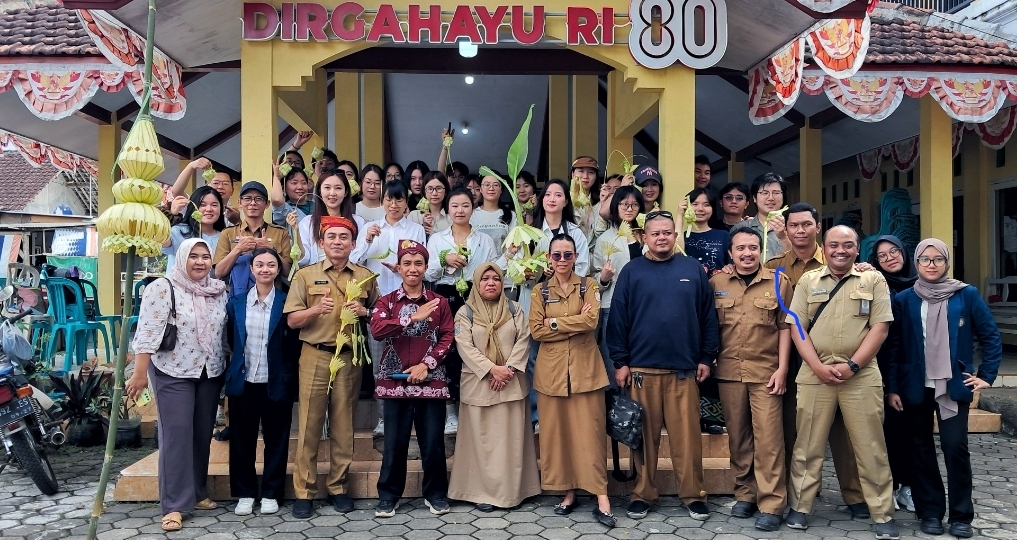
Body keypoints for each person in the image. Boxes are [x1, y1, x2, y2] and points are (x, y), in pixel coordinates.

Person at [784, 225, 898, 540]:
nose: (840, 251)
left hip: (860, 375)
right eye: (834, 245)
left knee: (870, 446)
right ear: (825, 247)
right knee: (807, 444)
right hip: (814, 374)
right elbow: (797, 327)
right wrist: (817, 366)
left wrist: (852, 365)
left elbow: (880, 328)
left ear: (857, 249)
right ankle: (801, 507)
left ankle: (882, 512)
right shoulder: (808, 281)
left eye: (848, 245)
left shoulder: (873, 280)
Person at [607, 211, 717, 523]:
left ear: (675, 235)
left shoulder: (692, 269)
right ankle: (643, 494)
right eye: (655, 233)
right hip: (642, 372)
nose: (661, 238)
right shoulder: (632, 271)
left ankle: (693, 495)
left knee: (688, 441)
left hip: (684, 371)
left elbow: (708, 317)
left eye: (667, 232)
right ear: (644, 237)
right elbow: (618, 319)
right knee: (644, 441)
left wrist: (706, 357)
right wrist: (621, 362)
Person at [888, 239, 1002, 538]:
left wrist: (986, 375)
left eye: (938, 259)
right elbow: (896, 347)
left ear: (946, 261)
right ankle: (931, 513)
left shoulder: (966, 294)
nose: (931, 265)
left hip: (953, 385)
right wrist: (893, 387)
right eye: (925, 259)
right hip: (916, 386)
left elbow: (990, 335)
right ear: (916, 262)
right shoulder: (905, 299)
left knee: (955, 448)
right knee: (921, 450)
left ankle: (961, 516)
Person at [764, 203, 867, 518]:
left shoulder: (844, 261)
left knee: (843, 428)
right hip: (788, 356)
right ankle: (797, 496)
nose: (799, 231)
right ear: (786, 229)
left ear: (817, 227)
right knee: (794, 429)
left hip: (835, 356)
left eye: (806, 224)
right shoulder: (774, 266)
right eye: (793, 225)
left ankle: (855, 495)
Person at [125, 239, 229, 532]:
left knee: (200, 433)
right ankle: (173, 505)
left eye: (204, 257)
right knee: (177, 434)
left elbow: (222, 331)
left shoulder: (217, 290)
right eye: (193, 256)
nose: (199, 262)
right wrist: (139, 372)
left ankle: (197, 493)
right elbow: (148, 330)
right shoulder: (162, 287)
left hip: (209, 371)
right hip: (172, 370)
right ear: (181, 259)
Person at [284, 216, 379, 519]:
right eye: (332, 237)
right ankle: (304, 491)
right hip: (315, 354)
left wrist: (366, 311)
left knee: (343, 424)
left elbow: (379, 316)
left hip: (349, 357)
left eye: (344, 237)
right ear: (321, 243)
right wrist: (314, 310)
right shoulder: (305, 275)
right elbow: (292, 320)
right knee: (310, 424)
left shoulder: (365, 276)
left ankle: (338, 487)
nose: (338, 242)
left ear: (353, 244)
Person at [529, 233, 614, 527]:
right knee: (559, 435)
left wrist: (554, 323)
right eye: (557, 255)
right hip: (551, 373)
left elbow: (591, 322)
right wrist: (569, 323)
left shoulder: (588, 285)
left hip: (585, 371)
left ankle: (601, 494)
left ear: (576, 256)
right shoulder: (539, 291)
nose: (562, 260)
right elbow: (536, 331)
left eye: (567, 255)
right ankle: (569, 491)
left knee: (590, 434)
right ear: (549, 258)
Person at [710, 227, 791, 531]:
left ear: (761, 251)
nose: (747, 254)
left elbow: (786, 327)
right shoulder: (717, 282)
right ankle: (746, 493)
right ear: (730, 253)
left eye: (753, 248)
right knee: (739, 438)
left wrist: (783, 369)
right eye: (740, 248)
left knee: (769, 440)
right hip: (729, 373)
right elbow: (710, 327)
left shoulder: (779, 282)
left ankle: (771, 503)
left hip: (767, 373)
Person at [370, 240, 455, 518]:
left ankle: (436, 494)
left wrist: (426, 365)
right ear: (398, 267)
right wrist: (411, 318)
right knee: (395, 442)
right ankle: (389, 496)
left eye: (418, 263)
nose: (413, 268)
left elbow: (447, 337)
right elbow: (379, 330)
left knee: (432, 442)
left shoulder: (439, 302)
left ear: (426, 268)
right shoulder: (386, 301)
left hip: (430, 380)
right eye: (407, 263)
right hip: (395, 382)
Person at [448, 263, 540, 511]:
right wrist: (492, 369)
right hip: (480, 384)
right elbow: (464, 346)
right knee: (482, 443)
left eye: (496, 279)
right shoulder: (464, 313)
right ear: (476, 284)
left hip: (510, 384)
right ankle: (481, 492)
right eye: (485, 279)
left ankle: (514, 492)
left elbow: (524, 339)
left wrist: (507, 370)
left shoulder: (514, 309)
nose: (491, 283)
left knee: (510, 441)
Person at [224, 248, 298, 517]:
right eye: (259, 265)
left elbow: (292, 346)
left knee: (276, 440)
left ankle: (270, 492)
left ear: (278, 270)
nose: (265, 269)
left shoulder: (288, 302)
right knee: (242, 440)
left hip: (276, 380)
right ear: (252, 270)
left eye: (271, 265)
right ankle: (245, 493)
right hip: (244, 381)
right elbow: (231, 342)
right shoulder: (236, 303)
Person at [425, 187, 501, 434]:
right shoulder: (437, 239)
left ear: (472, 209)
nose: (460, 210)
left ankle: (474, 406)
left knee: (476, 349)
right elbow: (428, 273)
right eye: (455, 206)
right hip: (445, 296)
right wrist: (444, 260)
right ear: (447, 209)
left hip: (475, 298)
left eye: (465, 205)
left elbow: (492, 271)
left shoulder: (484, 240)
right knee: (446, 352)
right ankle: (450, 412)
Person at [355, 181, 426, 436]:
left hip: (408, 304)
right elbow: (354, 262)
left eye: (399, 200)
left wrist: (404, 269)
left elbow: (421, 265)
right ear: (382, 201)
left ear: (407, 202)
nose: (393, 205)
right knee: (379, 367)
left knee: (410, 362)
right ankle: (385, 419)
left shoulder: (416, 230)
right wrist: (366, 240)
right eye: (389, 199)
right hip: (378, 304)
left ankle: (410, 420)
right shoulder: (369, 228)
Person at [868, 236, 918, 514]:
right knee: (890, 432)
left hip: (917, 367)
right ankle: (893, 485)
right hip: (884, 365)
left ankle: (910, 486)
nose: (890, 258)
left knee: (914, 432)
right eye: (882, 256)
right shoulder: (876, 285)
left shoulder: (924, 285)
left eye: (894, 252)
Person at [591, 186, 644, 387]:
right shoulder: (605, 239)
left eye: (634, 204)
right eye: (624, 204)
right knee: (613, 360)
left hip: (641, 307)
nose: (629, 208)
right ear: (615, 206)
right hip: (612, 306)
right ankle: (618, 412)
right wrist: (603, 278)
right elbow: (594, 281)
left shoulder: (647, 236)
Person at [213, 181, 293, 298]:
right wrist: (238, 249)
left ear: (267, 204)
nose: (252, 203)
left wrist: (271, 250)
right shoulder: (228, 233)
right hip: (237, 298)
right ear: (239, 203)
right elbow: (219, 273)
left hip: (272, 297)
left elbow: (287, 273)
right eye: (247, 198)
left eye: (258, 199)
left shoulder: (280, 232)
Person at [294, 172, 366, 268]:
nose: (332, 193)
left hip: (349, 280)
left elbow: (361, 259)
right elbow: (303, 259)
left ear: (346, 192)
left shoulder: (358, 222)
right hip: (317, 279)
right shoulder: (307, 222)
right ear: (319, 191)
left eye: (338, 188)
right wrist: (296, 231)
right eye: (327, 188)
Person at [163, 186, 225, 271]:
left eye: (214, 205)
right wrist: (171, 215)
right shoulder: (179, 231)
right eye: (202, 205)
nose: (209, 209)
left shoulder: (225, 236)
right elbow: (160, 238)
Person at [731, 173, 791, 262]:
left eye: (776, 193)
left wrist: (784, 238)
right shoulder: (740, 228)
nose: (771, 198)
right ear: (754, 198)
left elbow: (800, 259)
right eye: (764, 193)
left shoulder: (793, 227)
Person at [169, 157, 240, 226]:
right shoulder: (195, 206)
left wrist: (237, 221)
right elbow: (177, 192)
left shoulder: (232, 216)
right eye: (215, 183)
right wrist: (191, 166)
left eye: (225, 184)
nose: (220, 187)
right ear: (207, 187)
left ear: (232, 191)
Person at [684, 188, 730, 276]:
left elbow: (732, 266)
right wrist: (679, 215)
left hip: (717, 287)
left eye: (706, 205)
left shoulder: (724, 236)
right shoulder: (682, 238)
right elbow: (676, 253)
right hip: (689, 288)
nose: (700, 209)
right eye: (695, 204)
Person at [470, 173, 516, 249]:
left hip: (504, 260)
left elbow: (515, 244)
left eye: (495, 185)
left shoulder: (510, 215)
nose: (491, 188)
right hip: (478, 260)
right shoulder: (472, 214)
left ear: (501, 190)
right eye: (487, 185)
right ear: (480, 189)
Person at [407, 171, 452, 237]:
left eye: (438, 188)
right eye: (430, 189)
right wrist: (422, 227)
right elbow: (407, 241)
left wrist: (435, 234)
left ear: (445, 192)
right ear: (424, 191)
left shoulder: (451, 218)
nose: (434, 193)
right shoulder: (414, 216)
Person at [270, 162, 312, 228]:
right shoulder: (287, 209)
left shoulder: (316, 205)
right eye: (294, 183)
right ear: (283, 188)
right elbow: (277, 200)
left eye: (304, 183)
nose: (300, 187)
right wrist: (277, 178)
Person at [570, 156, 601, 236]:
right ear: (573, 174)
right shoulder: (564, 199)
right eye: (581, 171)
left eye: (591, 172)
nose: (585, 176)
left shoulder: (601, 201)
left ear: (596, 177)